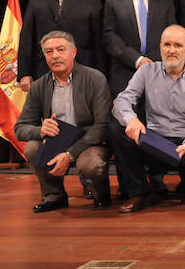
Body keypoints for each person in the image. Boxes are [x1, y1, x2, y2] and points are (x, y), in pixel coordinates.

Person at [110, 25, 185, 212]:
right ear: (160, 47)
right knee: (116, 130)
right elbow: (122, 100)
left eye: (178, 45)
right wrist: (132, 120)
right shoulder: (146, 72)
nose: (172, 50)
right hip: (155, 143)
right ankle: (140, 192)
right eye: (167, 44)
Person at [13, 31, 111, 212]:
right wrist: (40, 130)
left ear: (73, 52)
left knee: (90, 165)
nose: (55, 55)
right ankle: (54, 195)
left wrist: (70, 155)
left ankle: (101, 195)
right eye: (49, 51)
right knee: (33, 148)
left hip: (89, 141)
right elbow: (20, 128)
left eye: (60, 49)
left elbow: (103, 125)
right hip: (57, 140)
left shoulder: (95, 79)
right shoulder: (38, 86)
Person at [18, 0, 104, 92]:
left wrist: (101, 76)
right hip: (43, 73)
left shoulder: (91, 1)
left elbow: (99, 43)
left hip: (82, 73)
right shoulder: (36, 2)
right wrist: (24, 74)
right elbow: (26, 40)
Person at [103, 0, 176, 96]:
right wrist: (137, 60)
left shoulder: (166, 4)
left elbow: (171, 37)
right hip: (124, 74)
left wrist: (151, 62)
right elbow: (110, 37)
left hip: (159, 73)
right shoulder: (113, 3)